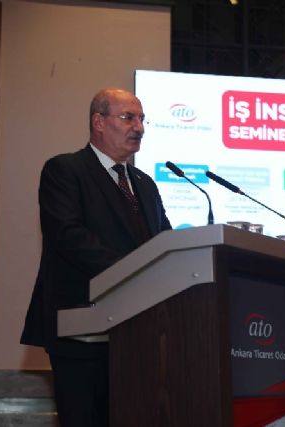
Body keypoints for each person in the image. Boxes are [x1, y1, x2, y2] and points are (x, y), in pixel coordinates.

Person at [20, 87, 172, 427]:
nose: (139, 127)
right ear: (98, 122)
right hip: (81, 332)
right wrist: (136, 274)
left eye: (142, 119)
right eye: (128, 118)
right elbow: (70, 237)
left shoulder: (145, 184)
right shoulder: (65, 170)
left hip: (138, 334)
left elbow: (165, 243)